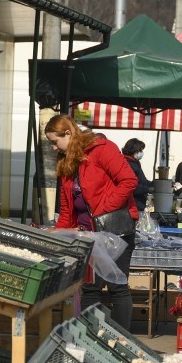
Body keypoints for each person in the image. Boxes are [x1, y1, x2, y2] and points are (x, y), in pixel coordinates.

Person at [44, 114, 139, 330]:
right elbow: (67, 208)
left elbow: (128, 181)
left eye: (54, 141)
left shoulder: (102, 149)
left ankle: (121, 339)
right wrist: (60, 233)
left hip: (116, 231)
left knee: (117, 285)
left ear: (68, 134)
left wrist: (103, 210)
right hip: (88, 235)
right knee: (90, 287)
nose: (53, 148)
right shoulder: (66, 161)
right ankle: (90, 337)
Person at [121, 137, 152, 212]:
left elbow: (143, 181)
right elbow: (132, 187)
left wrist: (157, 185)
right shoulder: (129, 164)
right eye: (140, 150)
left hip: (138, 204)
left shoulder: (135, 163)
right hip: (133, 205)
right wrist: (148, 189)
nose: (141, 153)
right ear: (134, 150)